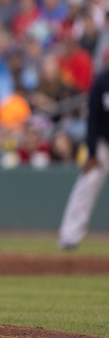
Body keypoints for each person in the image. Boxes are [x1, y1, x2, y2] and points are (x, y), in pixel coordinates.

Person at [58, 66, 109, 250]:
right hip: (103, 142)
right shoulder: (103, 80)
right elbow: (93, 118)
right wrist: (92, 152)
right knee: (87, 184)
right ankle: (69, 236)